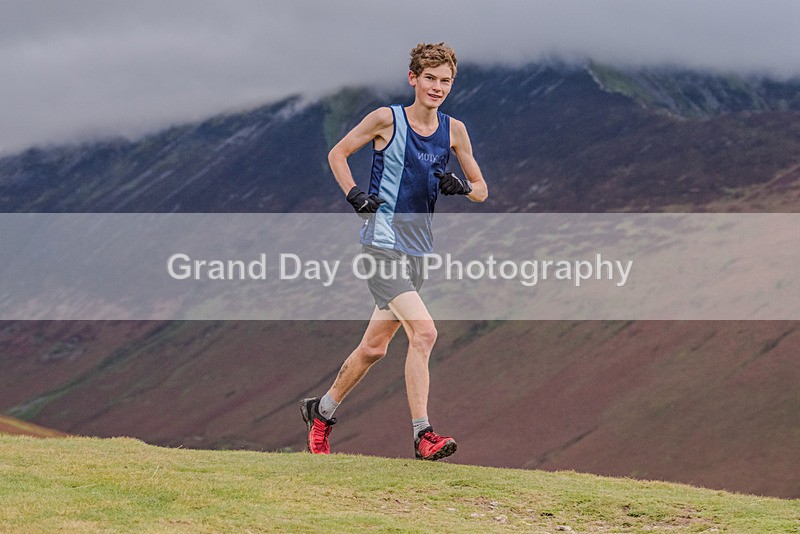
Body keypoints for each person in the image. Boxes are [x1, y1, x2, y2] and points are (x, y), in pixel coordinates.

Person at [301, 42, 488, 461]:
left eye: (445, 81)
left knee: (374, 348)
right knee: (425, 333)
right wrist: (354, 194)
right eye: (430, 78)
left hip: (417, 253)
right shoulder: (387, 119)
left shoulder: (454, 131)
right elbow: (338, 153)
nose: (437, 87)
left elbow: (482, 190)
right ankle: (424, 436)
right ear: (413, 79)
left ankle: (321, 412)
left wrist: (461, 186)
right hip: (381, 247)